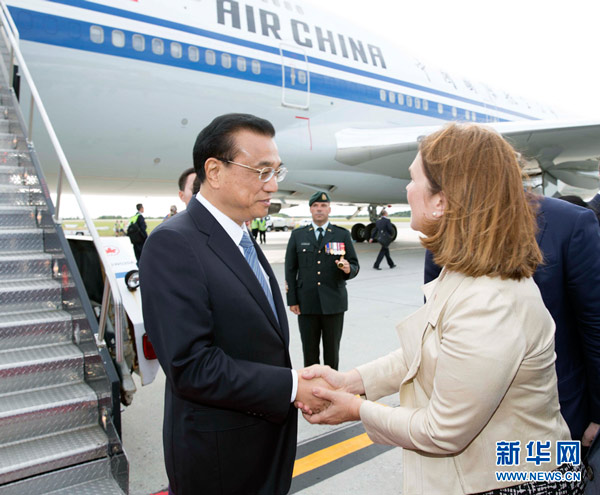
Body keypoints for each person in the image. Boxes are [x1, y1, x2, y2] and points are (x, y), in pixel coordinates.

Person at [298, 124, 585, 494]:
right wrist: (350, 382)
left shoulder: (489, 300)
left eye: (413, 179)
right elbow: (421, 353)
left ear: (441, 200)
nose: (406, 189)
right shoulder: (465, 272)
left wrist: (355, 409)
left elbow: (443, 431)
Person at [139, 113, 329, 495]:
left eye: (277, 171)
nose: (273, 185)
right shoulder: (173, 243)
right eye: (261, 171)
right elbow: (191, 366)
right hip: (220, 462)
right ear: (214, 170)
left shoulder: (240, 236)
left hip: (261, 447)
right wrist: (292, 386)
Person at [425, 191, 600, 449]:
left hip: (555, 419)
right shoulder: (445, 229)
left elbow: (594, 326)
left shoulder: (569, 223)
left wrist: (597, 415)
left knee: (559, 485)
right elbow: (433, 325)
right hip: (472, 421)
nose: (410, 188)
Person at [284, 191, 359, 370]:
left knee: (332, 351)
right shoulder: (298, 235)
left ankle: (331, 390)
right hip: (306, 302)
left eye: (323, 206)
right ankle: (313, 391)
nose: (319, 209)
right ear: (310, 209)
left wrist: (348, 269)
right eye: (316, 206)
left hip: (333, 302)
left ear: (329, 209)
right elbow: (290, 269)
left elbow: (354, 265)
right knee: (309, 352)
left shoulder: (341, 235)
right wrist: (292, 300)